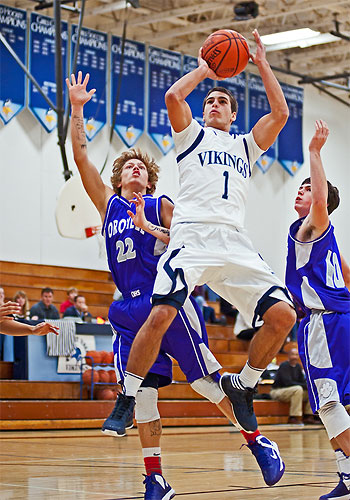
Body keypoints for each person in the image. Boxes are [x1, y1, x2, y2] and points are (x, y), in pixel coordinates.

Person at [66, 71, 286, 498]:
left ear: (148, 178)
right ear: (118, 179)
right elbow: (80, 156)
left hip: (168, 298)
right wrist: (77, 109)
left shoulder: (161, 204)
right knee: (145, 395)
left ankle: (256, 440)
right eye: (126, 166)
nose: (133, 168)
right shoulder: (107, 205)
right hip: (128, 309)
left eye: (140, 166)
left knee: (206, 384)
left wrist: (151, 229)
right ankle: (156, 477)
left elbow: (180, 242)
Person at [109, 28, 296, 436]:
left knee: (284, 316)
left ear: (232, 115)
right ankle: (128, 394)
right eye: (210, 100)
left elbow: (280, 114)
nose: (214, 103)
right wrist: (204, 70)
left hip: (234, 239)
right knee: (161, 313)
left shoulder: (247, 145)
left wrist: (261, 62)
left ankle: (244, 385)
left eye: (222, 101)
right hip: (192, 237)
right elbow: (174, 98)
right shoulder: (191, 135)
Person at [285, 120, 350, 500]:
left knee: (326, 403)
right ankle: (346, 477)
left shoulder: (312, 226)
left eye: (309, 188)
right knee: (337, 403)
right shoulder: (324, 241)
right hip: (336, 319)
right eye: (301, 186)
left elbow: (322, 200)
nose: (303, 189)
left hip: (322, 324)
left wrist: (313, 152)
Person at [270, 348, 314, 424]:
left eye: (296, 355)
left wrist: (308, 386)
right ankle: (294, 417)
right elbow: (287, 382)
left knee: (311, 391)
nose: (294, 357)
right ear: (288, 356)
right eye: (293, 354)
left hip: (291, 391)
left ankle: (308, 416)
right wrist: (304, 385)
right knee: (298, 389)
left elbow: (302, 381)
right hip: (277, 391)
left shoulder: (298, 367)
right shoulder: (284, 365)